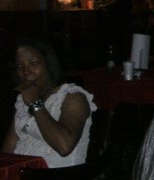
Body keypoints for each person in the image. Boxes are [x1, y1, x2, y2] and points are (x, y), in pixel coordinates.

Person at [1, 39, 95, 169]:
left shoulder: (73, 97)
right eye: (19, 66)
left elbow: (64, 146)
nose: (26, 71)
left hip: (55, 177)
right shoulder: (22, 99)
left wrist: (36, 104)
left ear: (48, 65)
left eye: (33, 64)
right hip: (22, 174)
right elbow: (8, 151)